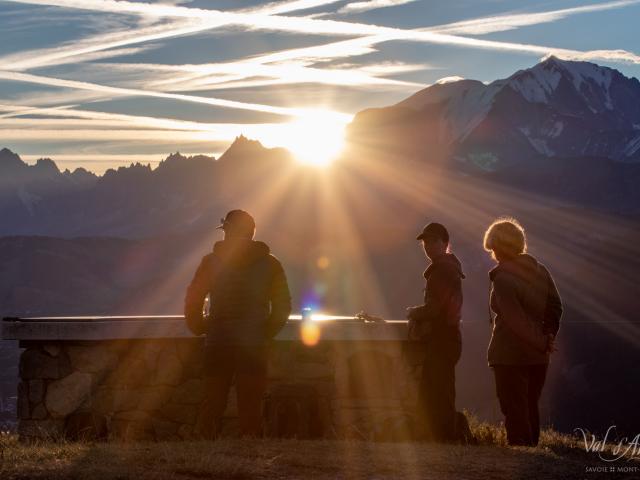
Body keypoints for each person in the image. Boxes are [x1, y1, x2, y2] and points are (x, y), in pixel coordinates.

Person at [184, 209, 291, 438]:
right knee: (251, 403)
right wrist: (265, 331)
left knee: (213, 401)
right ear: (252, 232)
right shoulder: (271, 264)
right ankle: (250, 450)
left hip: (218, 341)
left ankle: (204, 452)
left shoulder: (210, 262)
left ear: (228, 232)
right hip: (254, 344)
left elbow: (193, 299)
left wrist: (201, 326)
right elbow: (283, 306)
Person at [483, 217, 562, 446]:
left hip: (509, 355)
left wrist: (541, 342)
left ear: (500, 247)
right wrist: (547, 337)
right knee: (530, 406)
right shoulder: (541, 271)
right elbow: (555, 307)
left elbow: (515, 320)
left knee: (514, 408)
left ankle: (521, 453)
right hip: (539, 358)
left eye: (494, 248)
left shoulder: (503, 279)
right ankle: (533, 453)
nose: (493, 254)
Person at [406, 222, 465, 442]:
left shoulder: (441, 270)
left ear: (445, 243)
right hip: (449, 339)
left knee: (437, 392)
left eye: (433, 241)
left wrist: (413, 313)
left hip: (442, 339)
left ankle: (444, 437)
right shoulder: (450, 268)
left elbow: (434, 309)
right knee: (441, 389)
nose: (428, 246)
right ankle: (441, 436)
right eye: (425, 242)